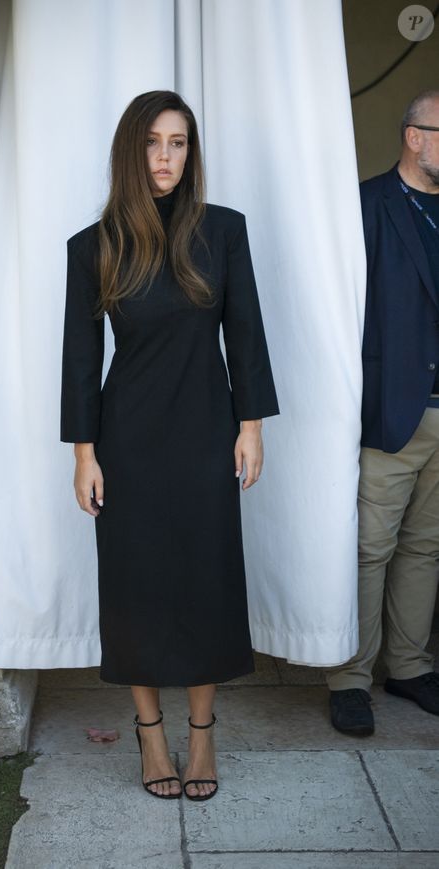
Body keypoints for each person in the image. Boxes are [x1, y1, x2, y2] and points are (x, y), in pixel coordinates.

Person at [60, 90, 279, 799]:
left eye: (179, 142)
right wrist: (84, 453)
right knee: (136, 588)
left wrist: (250, 427)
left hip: (205, 433)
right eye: (153, 142)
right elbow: (79, 358)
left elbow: (244, 334)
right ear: (132, 149)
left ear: (192, 151)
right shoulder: (94, 246)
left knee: (207, 580)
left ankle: (204, 737)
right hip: (127, 442)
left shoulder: (223, 230)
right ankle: (151, 738)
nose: (166, 157)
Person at [327, 90, 439, 735]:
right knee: (370, 549)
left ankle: (410, 667)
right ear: (413, 136)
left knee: (424, 547)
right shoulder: (366, 205)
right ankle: (349, 677)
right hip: (394, 411)